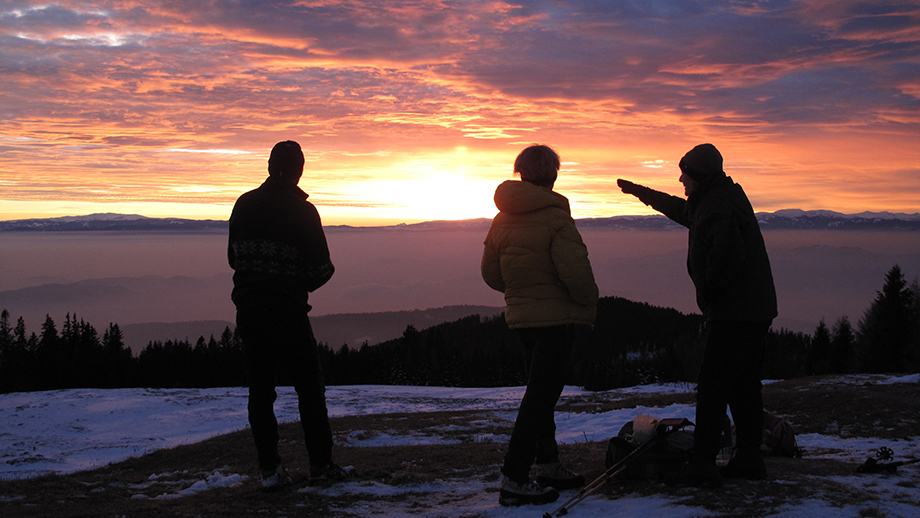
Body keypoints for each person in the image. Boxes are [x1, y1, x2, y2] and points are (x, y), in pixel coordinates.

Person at [617, 143, 778, 487]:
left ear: (698, 176)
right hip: (755, 308)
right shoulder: (717, 197)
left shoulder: (715, 205)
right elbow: (682, 210)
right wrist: (641, 193)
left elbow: (727, 246)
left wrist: (711, 290)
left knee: (713, 385)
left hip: (736, 311)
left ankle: (703, 463)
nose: (680, 179)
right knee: (743, 384)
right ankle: (749, 458)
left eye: (684, 174)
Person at [228, 140, 350, 490]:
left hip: (248, 311)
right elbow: (322, 269)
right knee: (309, 388)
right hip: (288, 311)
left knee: (261, 390)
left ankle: (270, 470)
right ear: (299, 170)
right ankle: (321, 466)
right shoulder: (302, 211)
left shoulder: (244, 204)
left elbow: (233, 258)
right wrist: (296, 283)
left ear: (269, 166)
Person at [481, 144, 599, 506]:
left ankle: (548, 465)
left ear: (521, 173)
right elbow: (576, 272)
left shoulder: (502, 219)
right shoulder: (555, 217)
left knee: (540, 393)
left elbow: (490, 274)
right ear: (553, 175)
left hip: (523, 319)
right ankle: (514, 478)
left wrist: (520, 291)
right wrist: (588, 300)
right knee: (540, 398)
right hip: (556, 319)